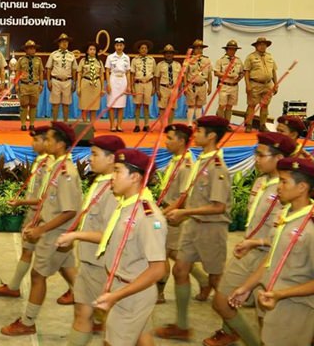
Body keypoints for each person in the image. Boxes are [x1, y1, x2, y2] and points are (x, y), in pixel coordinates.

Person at [203, 132, 294, 346]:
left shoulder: (288, 191)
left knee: (265, 317)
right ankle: (238, 335)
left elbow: (289, 235)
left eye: (261, 155)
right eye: (256, 154)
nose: (256, 159)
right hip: (248, 250)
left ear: (279, 159)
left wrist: (258, 242)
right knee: (222, 301)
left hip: (269, 256)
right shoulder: (261, 181)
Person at [156, 115, 232, 341]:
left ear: (211, 136)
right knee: (180, 270)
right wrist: (173, 209)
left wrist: (184, 212)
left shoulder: (217, 167)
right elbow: (187, 193)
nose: (194, 135)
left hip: (211, 228)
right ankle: (182, 325)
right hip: (193, 225)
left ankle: (230, 329)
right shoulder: (201, 160)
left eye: (199, 132)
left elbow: (218, 207)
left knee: (217, 280)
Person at [1, 122, 81, 336]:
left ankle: (28, 322)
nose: (45, 142)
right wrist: (30, 213)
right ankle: (95, 312)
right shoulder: (56, 166)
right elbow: (47, 199)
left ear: (60, 144)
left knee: (38, 276)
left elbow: (69, 211)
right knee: (71, 273)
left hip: (54, 233)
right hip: (51, 229)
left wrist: (40, 229)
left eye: (48, 139)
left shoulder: (66, 172)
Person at [228, 157, 314, 346]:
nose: (279, 187)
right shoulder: (286, 214)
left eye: (284, 182)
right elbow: (271, 259)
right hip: (274, 299)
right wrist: (247, 287)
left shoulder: (310, 226)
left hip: (296, 307)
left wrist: (281, 294)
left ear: (302, 187)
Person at [56, 135, 126, 345]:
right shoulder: (102, 182)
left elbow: (111, 235)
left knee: (116, 323)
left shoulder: (114, 191)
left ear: (112, 158)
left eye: (95, 154)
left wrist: (76, 235)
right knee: (82, 313)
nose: (90, 159)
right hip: (89, 263)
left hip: (102, 265)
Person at [94, 149, 167, 346]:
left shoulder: (148, 217)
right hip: (122, 285)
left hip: (132, 293)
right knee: (143, 339)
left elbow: (158, 269)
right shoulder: (126, 206)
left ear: (135, 177)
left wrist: (116, 295)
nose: (112, 176)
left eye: (117, 171)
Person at [0, 126, 52, 297]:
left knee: (60, 263)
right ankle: (14, 286)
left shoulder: (49, 165)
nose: (33, 144)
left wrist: (21, 202)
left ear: (47, 142)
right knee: (28, 249)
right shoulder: (41, 160)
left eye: (36, 140)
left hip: (41, 213)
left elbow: (44, 197)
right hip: (34, 211)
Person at [156, 124, 211, 304]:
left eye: (170, 138)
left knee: (161, 254)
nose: (167, 141)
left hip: (173, 215)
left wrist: (162, 214)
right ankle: (204, 281)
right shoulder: (176, 160)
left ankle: (159, 293)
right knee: (174, 253)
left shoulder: (186, 165)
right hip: (168, 210)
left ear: (181, 141)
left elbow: (183, 197)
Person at [244, 37, 278, 133]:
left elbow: (273, 71)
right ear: (256, 46)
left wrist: (276, 84)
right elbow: (246, 72)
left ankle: (262, 125)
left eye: (265, 44)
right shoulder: (250, 57)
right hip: (255, 84)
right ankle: (249, 125)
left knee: (265, 105)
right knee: (252, 105)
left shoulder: (270, 56)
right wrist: (247, 85)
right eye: (261, 44)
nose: (263, 46)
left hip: (267, 85)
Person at [46, 33, 76, 123]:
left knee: (66, 104)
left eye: (66, 42)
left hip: (67, 81)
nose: (64, 44)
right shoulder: (53, 54)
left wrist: (74, 82)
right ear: (59, 43)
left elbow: (74, 70)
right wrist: (48, 81)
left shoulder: (71, 55)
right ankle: (54, 123)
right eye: (62, 42)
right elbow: (48, 68)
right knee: (55, 104)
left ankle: (65, 123)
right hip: (55, 80)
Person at [214, 40, 244, 127]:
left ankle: (227, 123)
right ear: (226, 50)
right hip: (224, 85)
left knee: (230, 106)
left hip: (234, 86)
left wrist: (239, 78)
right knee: (222, 105)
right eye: (230, 49)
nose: (232, 51)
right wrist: (227, 75)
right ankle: (220, 123)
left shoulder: (238, 61)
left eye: (234, 50)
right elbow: (216, 73)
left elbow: (242, 72)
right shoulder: (221, 60)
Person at [16, 40, 44, 131]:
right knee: (23, 105)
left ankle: (32, 124)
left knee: (33, 105)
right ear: (26, 50)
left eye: (33, 48)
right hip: (24, 85)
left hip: (35, 85)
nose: (32, 50)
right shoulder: (21, 60)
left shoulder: (38, 60)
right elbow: (17, 72)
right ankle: (23, 124)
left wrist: (41, 84)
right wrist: (16, 84)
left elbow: (41, 73)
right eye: (30, 49)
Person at [105, 37, 132, 132]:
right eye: (117, 45)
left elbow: (128, 72)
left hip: (123, 80)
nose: (119, 47)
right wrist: (108, 84)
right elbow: (107, 71)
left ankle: (119, 125)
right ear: (114, 46)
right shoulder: (110, 57)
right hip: (113, 79)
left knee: (121, 105)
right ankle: (112, 125)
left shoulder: (126, 57)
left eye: (121, 45)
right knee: (111, 105)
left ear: (123, 46)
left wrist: (128, 85)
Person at [185, 39, 213, 125]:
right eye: (197, 48)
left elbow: (209, 74)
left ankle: (198, 122)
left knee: (200, 105)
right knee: (191, 104)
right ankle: (189, 123)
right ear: (193, 49)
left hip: (202, 85)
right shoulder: (189, 60)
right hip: (191, 85)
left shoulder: (207, 60)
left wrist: (210, 86)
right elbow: (185, 74)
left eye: (201, 48)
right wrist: (185, 86)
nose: (199, 50)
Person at [130, 40, 156, 132]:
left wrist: (154, 87)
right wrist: (132, 87)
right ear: (139, 50)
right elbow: (132, 74)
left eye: (145, 48)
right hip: (138, 83)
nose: (144, 50)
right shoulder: (134, 60)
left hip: (148, 83)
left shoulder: (152, 60)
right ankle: (137, 125)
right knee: (137, 105)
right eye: (142, 48)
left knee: (146, 105)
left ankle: (146, 125)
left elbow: (154, 74)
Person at [76, 42, 104, 124]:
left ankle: (92, 125)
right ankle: (84, 124)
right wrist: (79, 87)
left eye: (94, 49)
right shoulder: (83, 61)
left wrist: (102, 88)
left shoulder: (99, 62)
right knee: (84, 106)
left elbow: (102, 76)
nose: (92, 51)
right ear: (87, 51)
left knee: (94, 107)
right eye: (90, 49)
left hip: (96, 84)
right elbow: (79, 74)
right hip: (85, 83)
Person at [154, 44, 182, 124]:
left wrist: (180, 89)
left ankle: (170, 124)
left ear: (173, 54)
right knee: (162, 107)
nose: (169, 55)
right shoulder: (160, 65)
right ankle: (163, 125)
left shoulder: (177, 65)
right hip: (163, 87)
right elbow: (157, 78)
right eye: (167, 53)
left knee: (172, 107)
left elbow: (180, 78)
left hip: (174, 88)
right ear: (164, 54)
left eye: (170, 53)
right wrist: (157, 90)